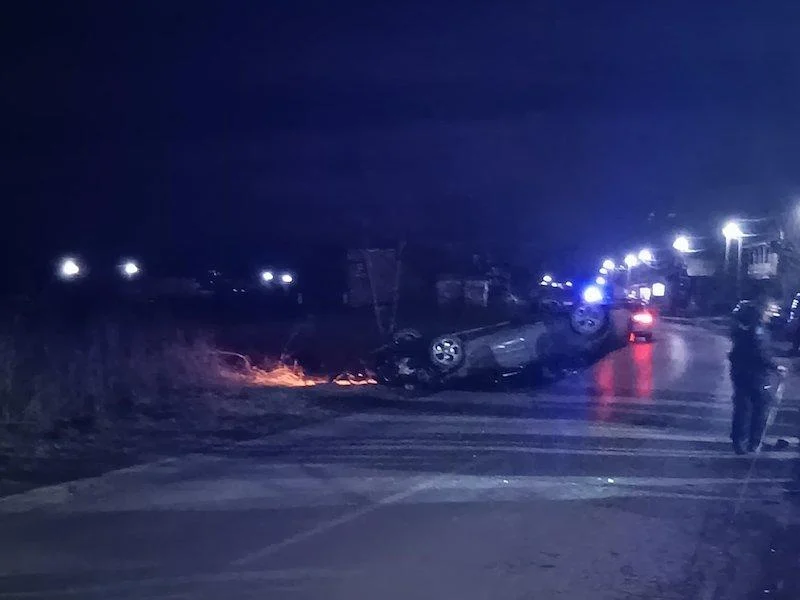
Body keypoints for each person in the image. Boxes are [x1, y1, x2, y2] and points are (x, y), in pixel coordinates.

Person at [728, 300, 785, 454]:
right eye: (770, 311)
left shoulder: (744, 328)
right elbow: (760, 352)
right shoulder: (758, 330)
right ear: (762, 311)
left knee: (742, 408)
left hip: (740, 373)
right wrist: (776, 366)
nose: (772, 315)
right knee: (760, 409)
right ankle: (754, 442)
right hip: (756, 375)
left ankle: (739, 441)